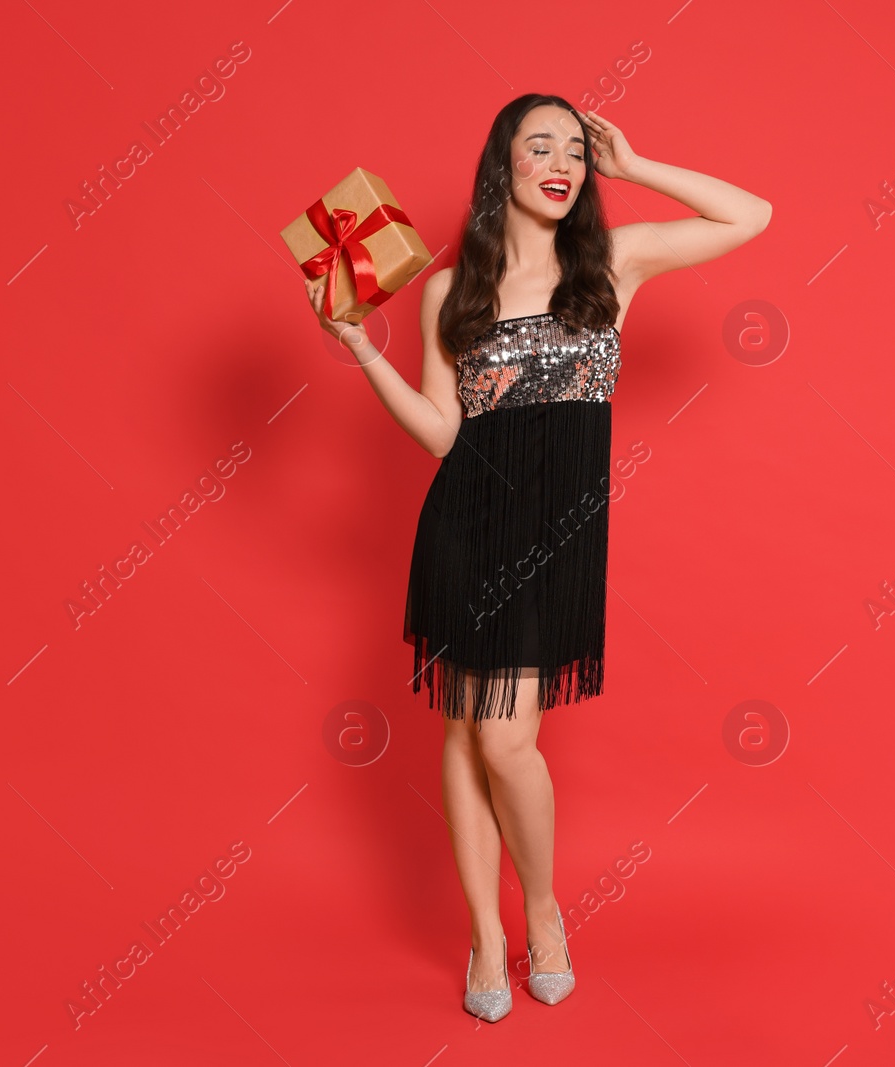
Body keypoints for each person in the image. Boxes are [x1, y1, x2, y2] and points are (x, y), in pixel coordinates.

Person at [303, 93, 770, 1022]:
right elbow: (442, 433)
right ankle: (487, 931)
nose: (560, 161)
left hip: (556, 535)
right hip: (463, 527)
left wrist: (632, 165)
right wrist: (359, 343)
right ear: (501, 166)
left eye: (573, 148)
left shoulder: (612, 263)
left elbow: (749, 215)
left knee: (506, 737)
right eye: (537, 145)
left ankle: (543, 909)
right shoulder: (450, 291)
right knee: (467, 728)